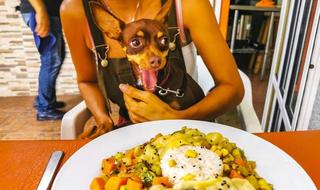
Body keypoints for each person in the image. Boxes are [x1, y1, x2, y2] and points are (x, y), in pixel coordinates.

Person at [60, 0, 244, 138]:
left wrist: (178, 118)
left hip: (191, 129)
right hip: (132, 133)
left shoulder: (186, 4)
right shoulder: (76, 10)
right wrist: (103, 119)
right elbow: (87, 81)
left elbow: (233, 88)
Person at [20, 0, 66, 120]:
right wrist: (40, 11)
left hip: (48, 12)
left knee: (56, 58)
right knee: (51, 62)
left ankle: (46, 100)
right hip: (43, 12)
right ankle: (44, 109)